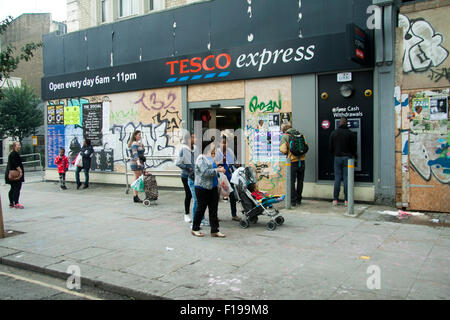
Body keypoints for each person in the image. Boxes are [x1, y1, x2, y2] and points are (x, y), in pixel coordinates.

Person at [191, 145, 227, 238]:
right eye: (212, 152)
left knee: (213, 209)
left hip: (213, 187)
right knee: (201, 209)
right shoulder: (201, 159)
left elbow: (212, 169)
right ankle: (195, 228)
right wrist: (218, 170)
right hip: (202, 188)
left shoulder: (210, 159)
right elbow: (205, 172)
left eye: (214, 152)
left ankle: (215, 230)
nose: (213, 154)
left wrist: (217, 168)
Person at [329, 117, 357, 206]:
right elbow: (354, 147)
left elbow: (330, 147)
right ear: (347, 123)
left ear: (339, 123)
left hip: (337, 157)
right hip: (348, 158)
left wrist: (335, 152)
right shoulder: (351, 134)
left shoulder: (334, 133)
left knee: (337, 178)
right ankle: (346, 200)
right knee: (347, 178)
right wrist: (352, 154)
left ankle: (335, 199)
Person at [280, 124, 308, 207]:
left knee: (291, 181)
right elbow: (306, 146)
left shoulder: (285, 136)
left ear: (285, 130)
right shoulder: (300, 134)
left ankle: (293, 201)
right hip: (302, 161)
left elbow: (283, 149)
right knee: (300, 181)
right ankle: (299, 199)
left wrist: (287, 152)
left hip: (292, 162)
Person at [176, 132, 200, 223]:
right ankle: (186, 214)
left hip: (196, 175)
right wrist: (187, 167)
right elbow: (178, 163)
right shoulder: (183, 149)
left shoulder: (196, 148)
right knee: (189, 195)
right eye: (193, 137)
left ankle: (198, 215)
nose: (195, 139)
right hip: (186, 176)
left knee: (196, 196)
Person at [216, 136, 240, 222]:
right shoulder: (216, 152)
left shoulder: (230, 151)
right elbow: (214, 165)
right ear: (219, 144)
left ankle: (234, 215)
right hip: (220, 178)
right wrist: (221, 160)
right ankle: (215, 216)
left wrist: (237, 164)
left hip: (230, 177)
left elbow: (235, 162)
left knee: (232, 196)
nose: (224, 145)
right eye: (222, 143)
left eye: (225, 143)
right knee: (217, 197)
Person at [4, 141, 25, 209]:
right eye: (18, 145)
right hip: (15, 174)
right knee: (17, 188)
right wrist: (20, 171)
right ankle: (16, 203)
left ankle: (11, 203)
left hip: (10, 174)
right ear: (14, 146)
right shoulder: (14, 154)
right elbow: (16, 164)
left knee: (13, 188)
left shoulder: (12, 153)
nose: (20, 146)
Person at [128, 130, 145, 203]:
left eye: (140, 135)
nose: (140, 136)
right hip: (136, 163)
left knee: (136, 179)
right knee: (140, 179)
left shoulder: (137, 143)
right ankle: (137, 196)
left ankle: (135, 196)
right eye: (139, 135)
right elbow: (135, 153)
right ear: (135, 136)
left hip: (136, 162)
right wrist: (138, 162)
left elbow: (141, 152)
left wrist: (142, 146)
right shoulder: (134, 143)